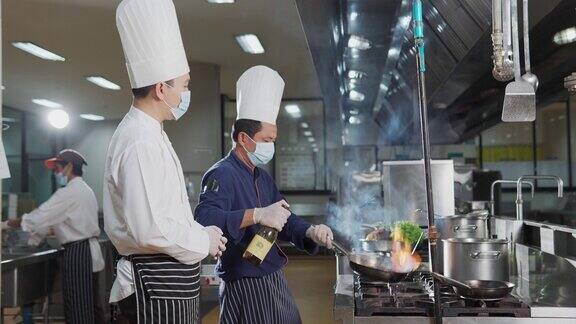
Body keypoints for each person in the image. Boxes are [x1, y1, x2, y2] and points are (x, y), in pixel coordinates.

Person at [104, 0, 226, 323]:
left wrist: (198, 230)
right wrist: (204, 240)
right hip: (151, 292)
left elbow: (164, 216)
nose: (186, 92)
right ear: (161, 88)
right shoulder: (139, 140)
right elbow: (149, 228)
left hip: (166, 288)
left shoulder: (152, 133)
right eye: (184, 85)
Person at [195, 65, 334, 324]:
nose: (271, 146)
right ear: (244, 138)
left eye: (273, 140)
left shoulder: (262, 176)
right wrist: (257, 215)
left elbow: (284, 218)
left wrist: (310, 231)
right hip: (245, 281)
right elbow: (205, 218)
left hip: (271, 273)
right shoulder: (221, 174)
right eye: (267, 139)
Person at [4, 149, 105, 324]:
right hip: (89, 252)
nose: (56, 173)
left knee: (77, 309)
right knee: (89, 307)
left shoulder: (68, 193)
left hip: (78, 253)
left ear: (69, 167)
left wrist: (5, 224)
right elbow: (58, 221)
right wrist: (37, 234)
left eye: (58, 168)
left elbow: (39, 216)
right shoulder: (85, 190)